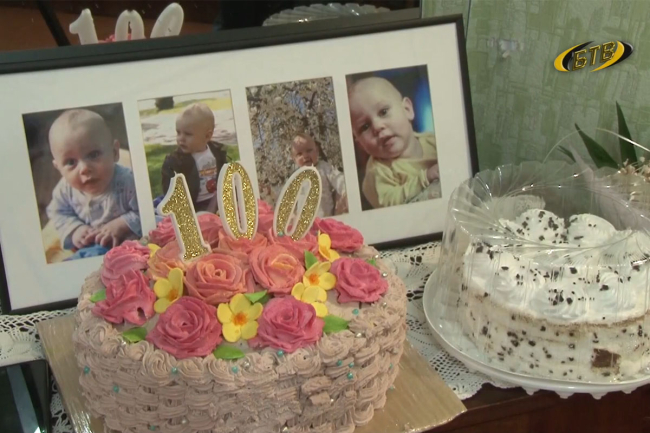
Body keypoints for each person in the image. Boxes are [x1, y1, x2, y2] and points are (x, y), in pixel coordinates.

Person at [46, 109, 141, 256]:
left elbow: (146, 211)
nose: (84, 169)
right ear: (59, 168)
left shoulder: (129, 183)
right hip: (89, 247)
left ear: (115, 153)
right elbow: (57, 212)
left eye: (93, 155)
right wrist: (75, 229)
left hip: (126, 246)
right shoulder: (65, 189)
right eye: (71, 162)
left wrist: (122, 224)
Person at [348, 76, 440, 209]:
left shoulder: (434, 141)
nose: (377, 126)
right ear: (360, 142)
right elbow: (389, 204)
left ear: (407, 110)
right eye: (365, 126)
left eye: (383, 112)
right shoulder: (377, 172)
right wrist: (425, 178)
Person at [160, 102, 227, 212]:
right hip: (192, 207)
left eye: (187, 134)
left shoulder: (217, 153)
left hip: (216, 201)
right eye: (178, 132)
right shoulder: (175, 162)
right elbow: (169, 191)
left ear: (207, 136)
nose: (181, 138)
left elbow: (225, 177)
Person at [290, 132, 348, 217]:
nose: (305, 155)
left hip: (324, 217)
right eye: (299, 154)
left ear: (317, 151)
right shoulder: (297, 177)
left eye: (309, 150)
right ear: (294, 159)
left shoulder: (324, 167)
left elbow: (337, 178)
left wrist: (345, 190)